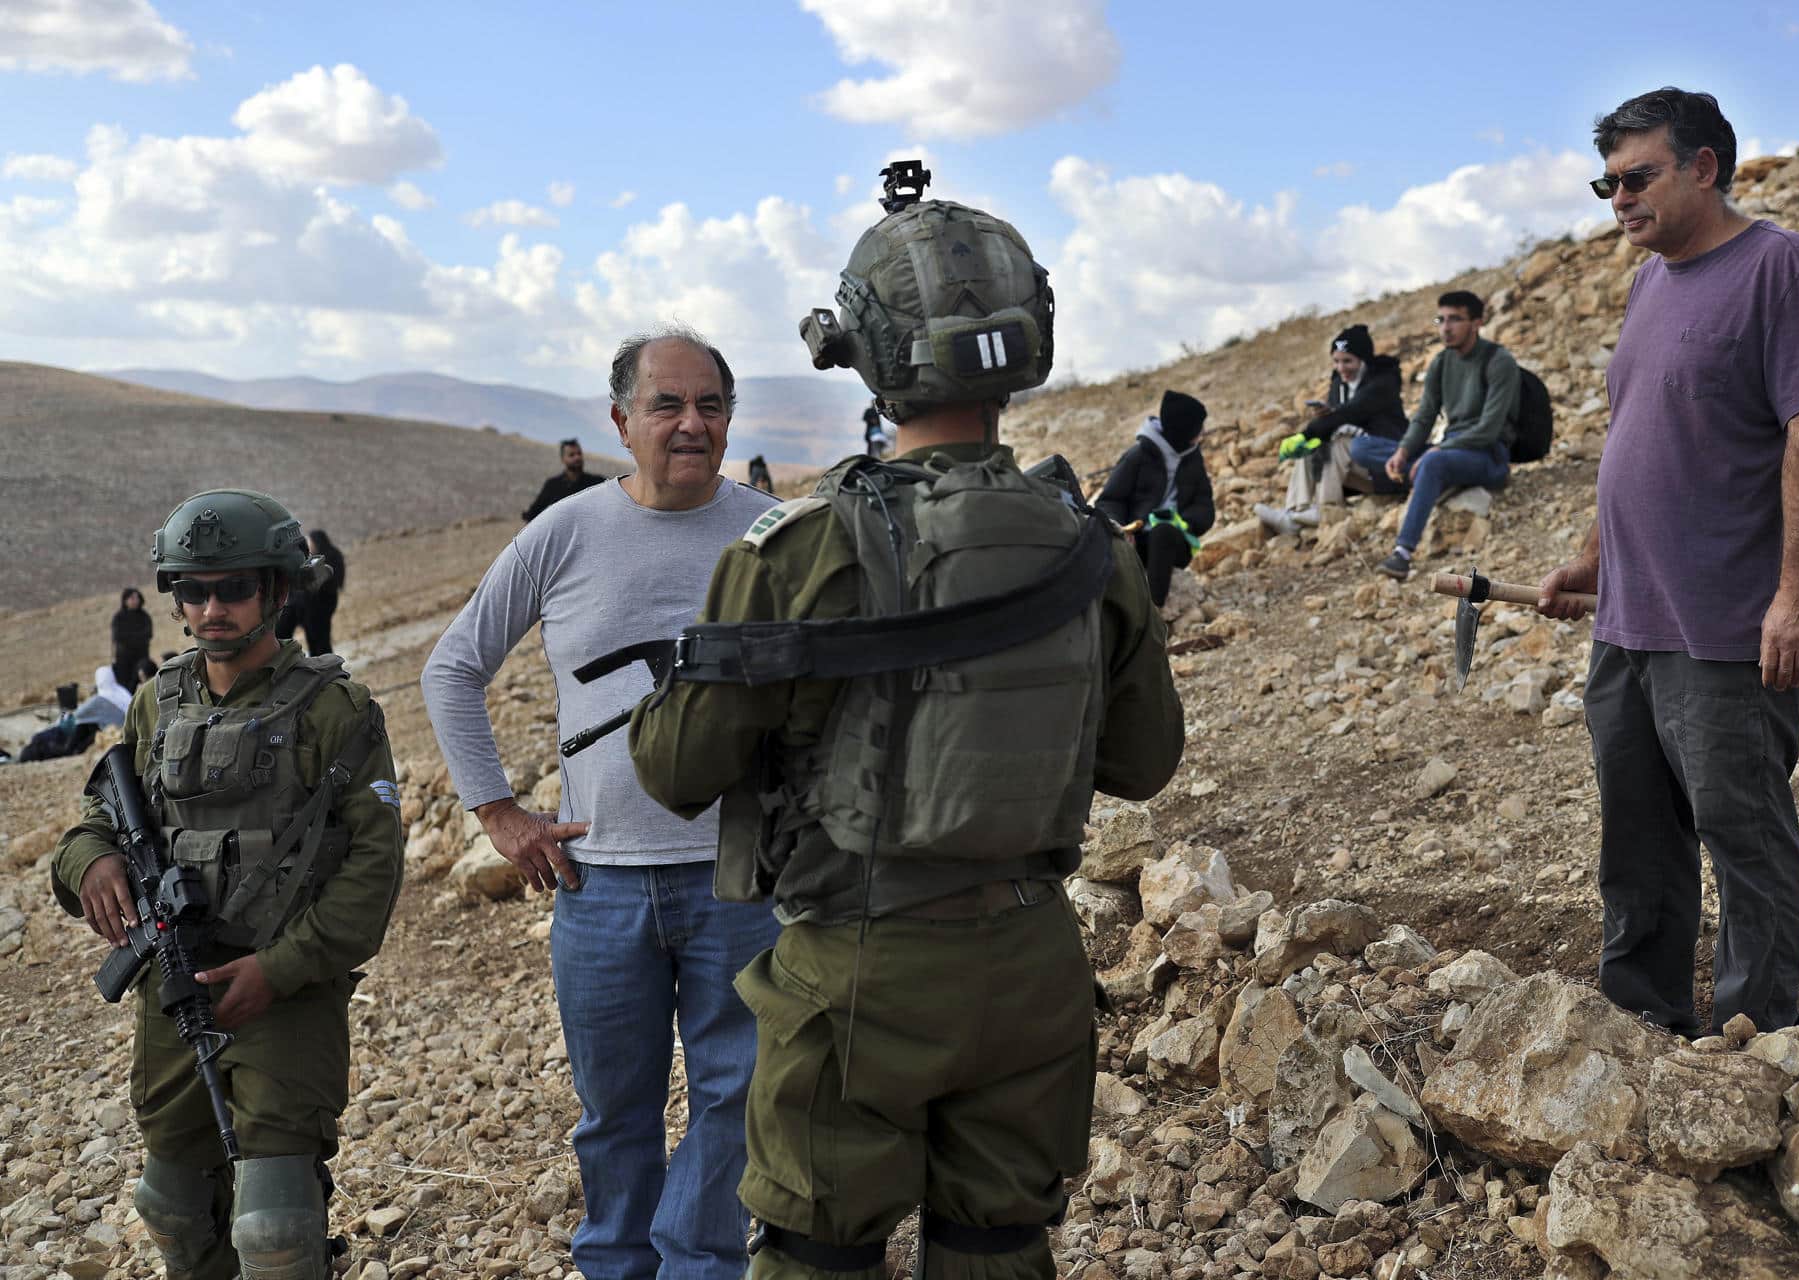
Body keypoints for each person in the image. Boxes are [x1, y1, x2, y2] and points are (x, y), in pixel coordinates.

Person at [631, 163, 1185, 1280]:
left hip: (858, 970)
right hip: (1031, 961)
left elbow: (677, 769)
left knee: (817, 1253)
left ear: (868, 355)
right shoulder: (1087, 543)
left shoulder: (795, 549)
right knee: (997, 1245)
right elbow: (1143, 759)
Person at [421, 328, 780, 1280]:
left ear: (731, 418)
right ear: (622, 420)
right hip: (600, 881)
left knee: (735, 1096)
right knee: (613, 1111)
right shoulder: (565, 532)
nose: (690, 423)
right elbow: (452, 668)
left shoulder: (771, 533)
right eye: (667, 405)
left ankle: (698, 1264)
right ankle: (616, 1266)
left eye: (709, 405)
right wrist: (497, 813)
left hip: (738, 880)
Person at [1538, 87, 1799, 1036]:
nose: (1619, 200)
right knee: (1636, 838)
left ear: (1706, 166)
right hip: (1628, 620)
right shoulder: (1649, 282)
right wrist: (1594, 555)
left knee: (1742, 833)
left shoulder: (1778, 266)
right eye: (1607, 184)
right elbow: (1637, 430)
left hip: (1723, 625)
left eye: (1637, 178)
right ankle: (1640, 1025)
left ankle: (1761, 1046)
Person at [51, 488, 402, 1277]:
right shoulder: (155, 702)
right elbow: (94, 823)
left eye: (234, 588)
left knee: (274, 1229)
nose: (213, 608)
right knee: (171, 1209)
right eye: (194, 590)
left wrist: (277, 971)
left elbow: (372, 874)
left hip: (284, 994)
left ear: (277, 591)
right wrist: (93, 863)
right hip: (175, 992)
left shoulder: (334, 710)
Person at [1355, 290, 1517, 580]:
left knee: (1432, 463)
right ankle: (1426, 481)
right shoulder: (1441, 362)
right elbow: (1424, 416)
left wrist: (1437, 451)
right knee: (1362, 448)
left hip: (1487, 455)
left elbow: (1489, 429)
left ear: (1477, 322)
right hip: (1449, 451)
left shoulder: (1498, 360)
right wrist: (1403, 452)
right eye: (1440, 319)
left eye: (1455, 319)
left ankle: (1402, 555)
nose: (1445, 327)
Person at [1254, 324, 1408, 536]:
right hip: (1355, 469)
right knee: (1314, 443)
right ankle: (1294, 512)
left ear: (1363, 359)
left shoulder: (1383, 381)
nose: (1341, 367)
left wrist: (1310, 431)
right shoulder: (1339, 383)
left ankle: (1327, 509)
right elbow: (1337, 418)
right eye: (1336, 361)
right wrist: (1320, 426)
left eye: (1348, 361)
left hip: (1386, 466)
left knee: (1338, 438)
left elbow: (1353, 412)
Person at [1094, 390, 1217, 607]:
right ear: (1182, 432)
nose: (1202, 435)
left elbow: (1205, 506)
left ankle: (1153, 608)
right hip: (1137, 540)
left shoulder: (1193, 457)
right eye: (1198, 430)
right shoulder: (1138, 456)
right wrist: (1121, 528)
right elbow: (1109, 500)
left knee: (1164, 531)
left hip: (1175, 541)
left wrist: (1184, 521)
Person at [523, 437, 608, 522]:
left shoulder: (597, 482)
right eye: (572, 455)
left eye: (579, 453)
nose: (577, 457)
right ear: (563, 459)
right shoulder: (553, 485)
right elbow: (533, 513)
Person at [301, 530, 346, 657]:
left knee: (321, 637)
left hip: (323, 603)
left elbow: (328, 581)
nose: (309, 545)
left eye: (310, 542)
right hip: (314, 606)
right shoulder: (317, 558)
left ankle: (326, 665)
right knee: (313, 637)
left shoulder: (330, 557)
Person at [111, 586, 153, 692]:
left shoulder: (144, 617)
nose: (135, 601)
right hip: (123, 660)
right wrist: (134, 639)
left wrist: (132, 639)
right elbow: (118, 637)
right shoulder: (119, 618)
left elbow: (147, 635)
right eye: (132, 598)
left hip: (141, 657)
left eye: (137, 598)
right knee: (125, 689)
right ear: (125, 600)